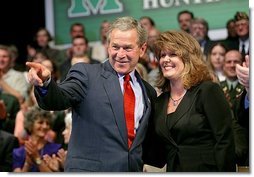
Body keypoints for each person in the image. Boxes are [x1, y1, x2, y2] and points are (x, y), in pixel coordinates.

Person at [26, 16, 157, 172]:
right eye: (115, 47)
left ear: (142, 49)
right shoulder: (86, 74)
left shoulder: (148, 91)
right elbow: (59, 98)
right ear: (108, 46)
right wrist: (46, 82)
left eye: (127, 48)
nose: (120, 54)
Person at [144, 30, 236, 172]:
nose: (165, 59)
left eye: (173, 54)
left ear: (188, 58)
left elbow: (225, 141)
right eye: (162, 55)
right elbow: (157, 154)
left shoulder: (208, 91)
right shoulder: (160, 102)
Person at [12, 107, 61, 172]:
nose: (45, 126)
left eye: (48, 123)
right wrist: (27, 164)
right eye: (40, 122)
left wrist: (37, 159)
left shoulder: (56, 149)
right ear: (30, 124)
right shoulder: (18, 153)